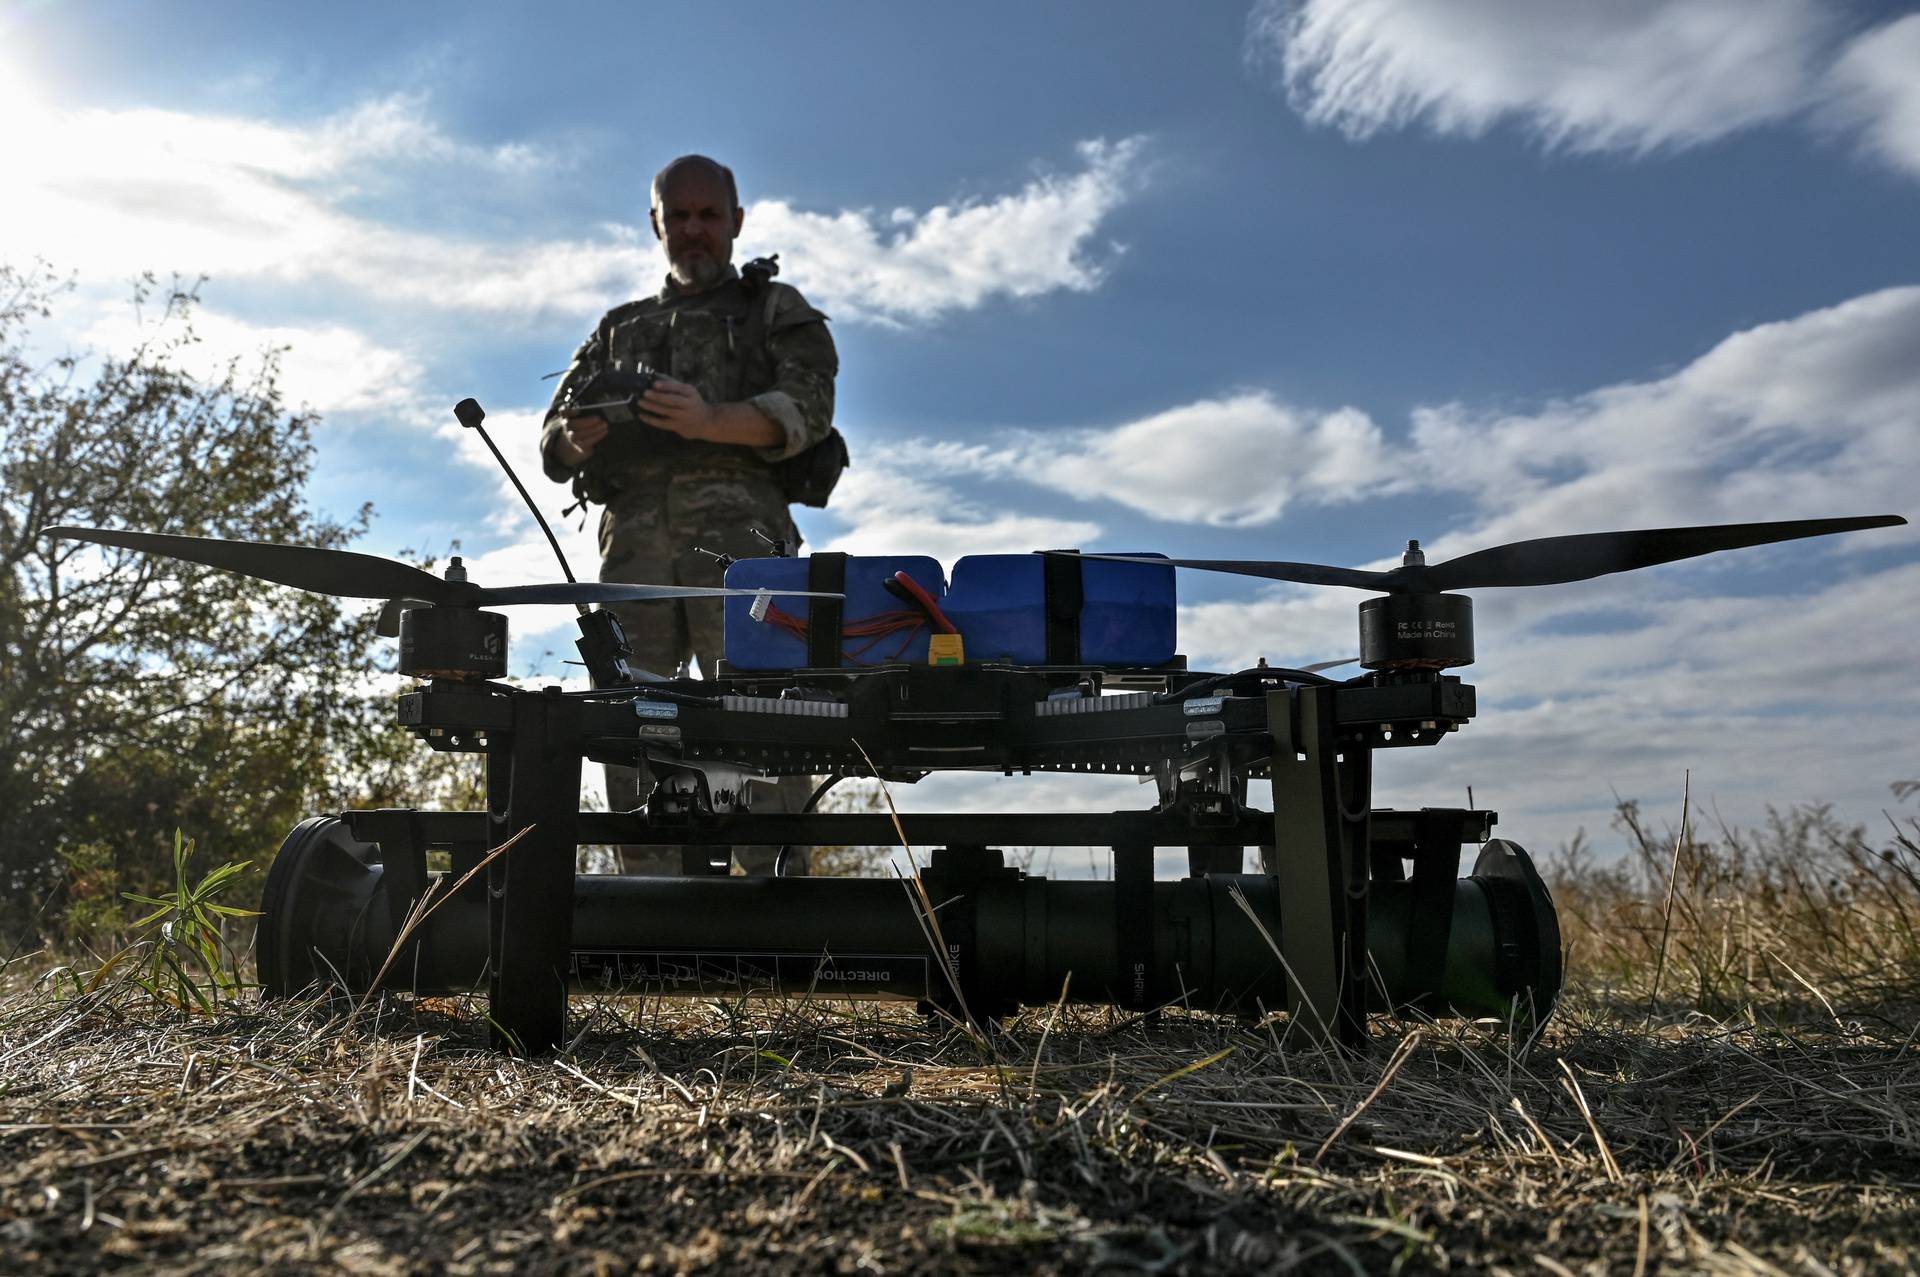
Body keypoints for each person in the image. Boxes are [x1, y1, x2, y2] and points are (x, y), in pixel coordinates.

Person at [540, 154, 837, 875]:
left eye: (709, 215)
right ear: (656, 225)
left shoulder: (773, 310)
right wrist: (576, 439)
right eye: (679, 216)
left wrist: (708, 419)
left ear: (736, 222)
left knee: (766, 716)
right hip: (634, 552)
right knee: (629, 721)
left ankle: (780, 916)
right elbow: (552, 442)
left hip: (743, 548)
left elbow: (808, 411)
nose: (694, 230)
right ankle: (650, 919)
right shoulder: (619, 328)